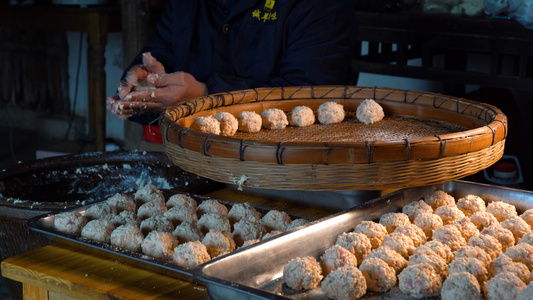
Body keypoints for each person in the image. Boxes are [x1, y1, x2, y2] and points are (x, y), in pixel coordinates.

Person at [107, 0, 355, 127]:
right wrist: (142, 88)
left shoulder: (319, 6)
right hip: (196, 161)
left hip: (287, 172)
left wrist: (204, 97)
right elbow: (161, 56)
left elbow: (310, 100)